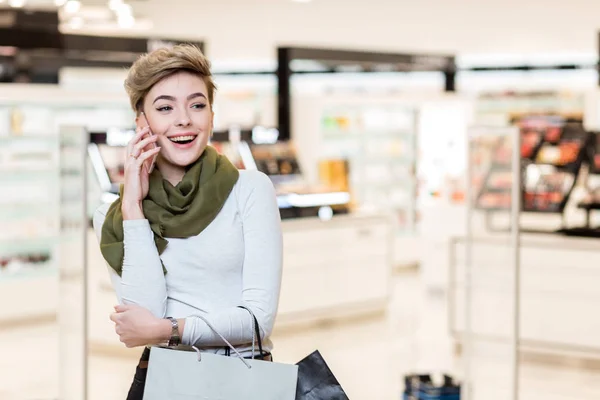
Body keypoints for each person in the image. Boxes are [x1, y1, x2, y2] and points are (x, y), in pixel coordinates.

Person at [92, 44, 283, 400]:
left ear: (211, 115)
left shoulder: (250, 190)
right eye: (165, 108)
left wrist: (167, 329)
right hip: (163, 381)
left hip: (244, 378)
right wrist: (133, 208)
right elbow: (141, 317)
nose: (184, 120)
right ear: (141, 123)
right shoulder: (115, 216)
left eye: (197, 105)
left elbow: (258, 321)